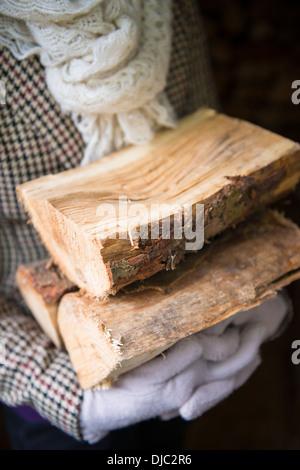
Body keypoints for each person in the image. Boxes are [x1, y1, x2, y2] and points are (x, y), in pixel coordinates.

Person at [0, 0, 289, 450]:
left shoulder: (167, 8)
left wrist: (260, 282)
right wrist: (65, 393)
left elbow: (213, 165)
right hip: (53, 372)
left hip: (194, 336)